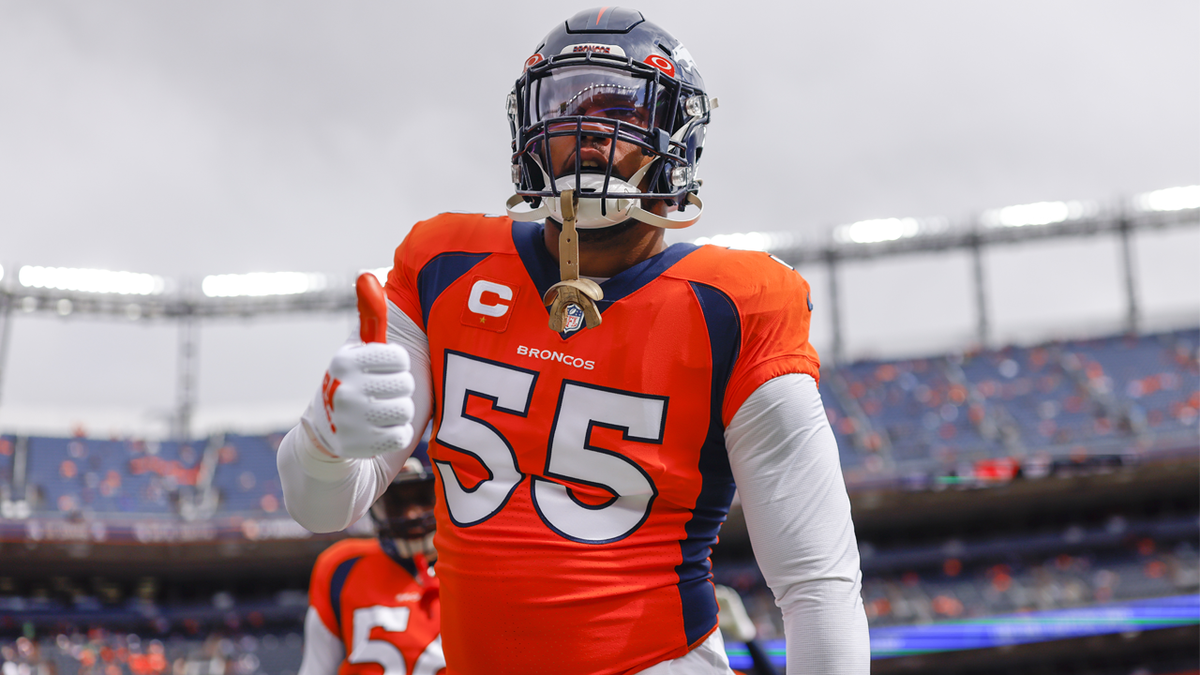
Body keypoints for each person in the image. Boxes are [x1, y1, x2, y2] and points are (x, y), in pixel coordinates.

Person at [279, 7, 869, 674]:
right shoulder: (444, 265)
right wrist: (326, 435)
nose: (588, 132)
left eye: (622, 107)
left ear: (674, 138)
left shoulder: (735, 307)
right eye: (565, 105)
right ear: (530, 129)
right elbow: (320, 504)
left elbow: (816, 582)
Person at [298, 457, 444, 675]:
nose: (411, 514)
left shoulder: (476, 568)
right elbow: (316, 669)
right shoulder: (341, 567)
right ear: (375, 505)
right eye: (397, 502)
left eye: (422, 498)